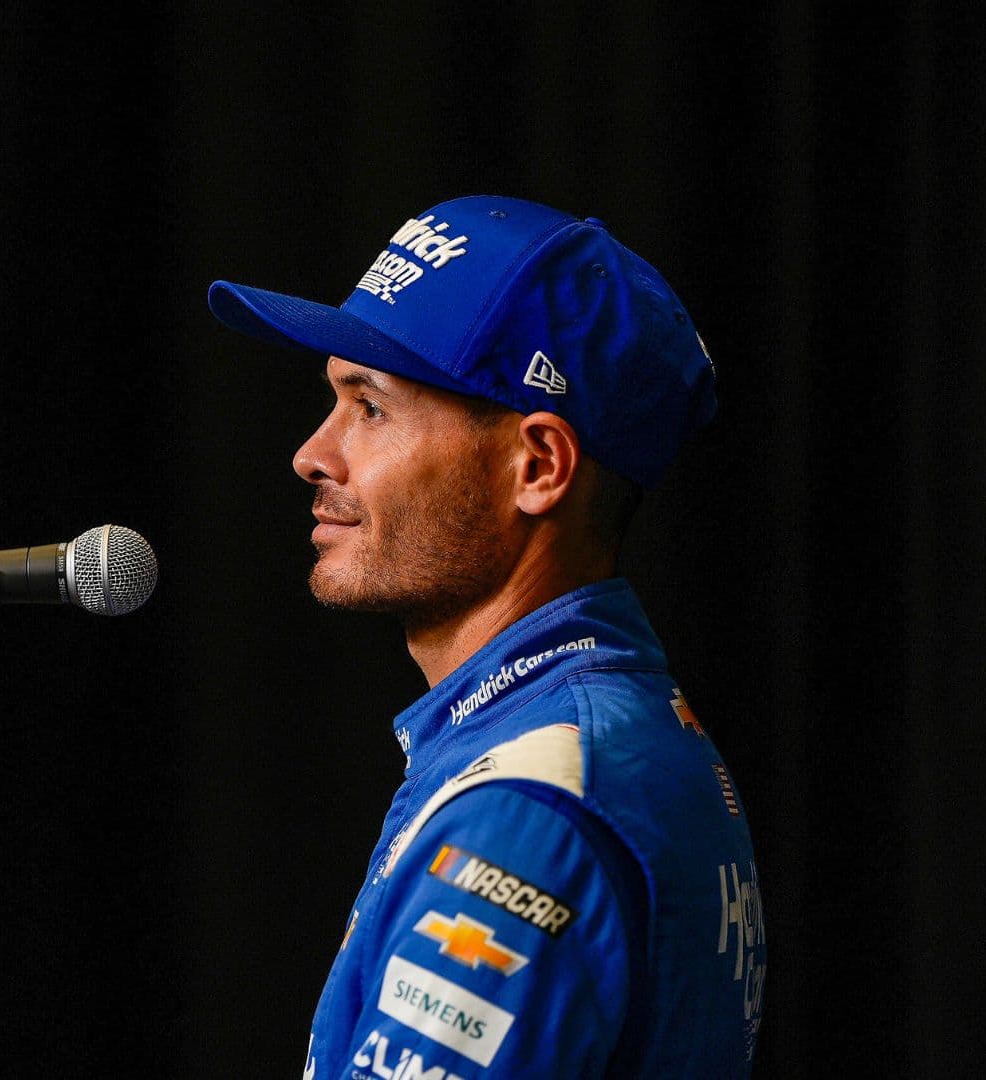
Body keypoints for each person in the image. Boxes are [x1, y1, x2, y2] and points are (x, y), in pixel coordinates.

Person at [208, 195, 765, 1079]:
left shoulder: (534, 805)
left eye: (371, 408)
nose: (313, 454)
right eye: (333, 400)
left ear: (538, 467)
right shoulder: (587, 735)